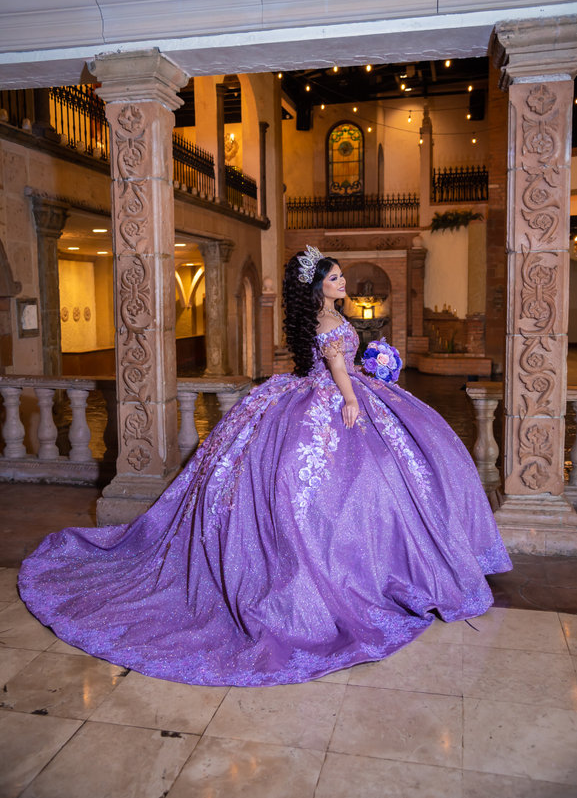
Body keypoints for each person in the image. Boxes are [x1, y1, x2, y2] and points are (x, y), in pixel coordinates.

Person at [18, 246, 512, 687]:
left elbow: (339, 361)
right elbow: (338, 366)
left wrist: (375, 368)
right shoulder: (328, 324)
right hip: (340, 396)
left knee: (385, 472)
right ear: (320, 288)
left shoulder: (321, 320)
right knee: (364, 480)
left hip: (333, 388)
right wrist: (353, 400)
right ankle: (356, 573)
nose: (342, 284)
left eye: (341, 278)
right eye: (335, 279)